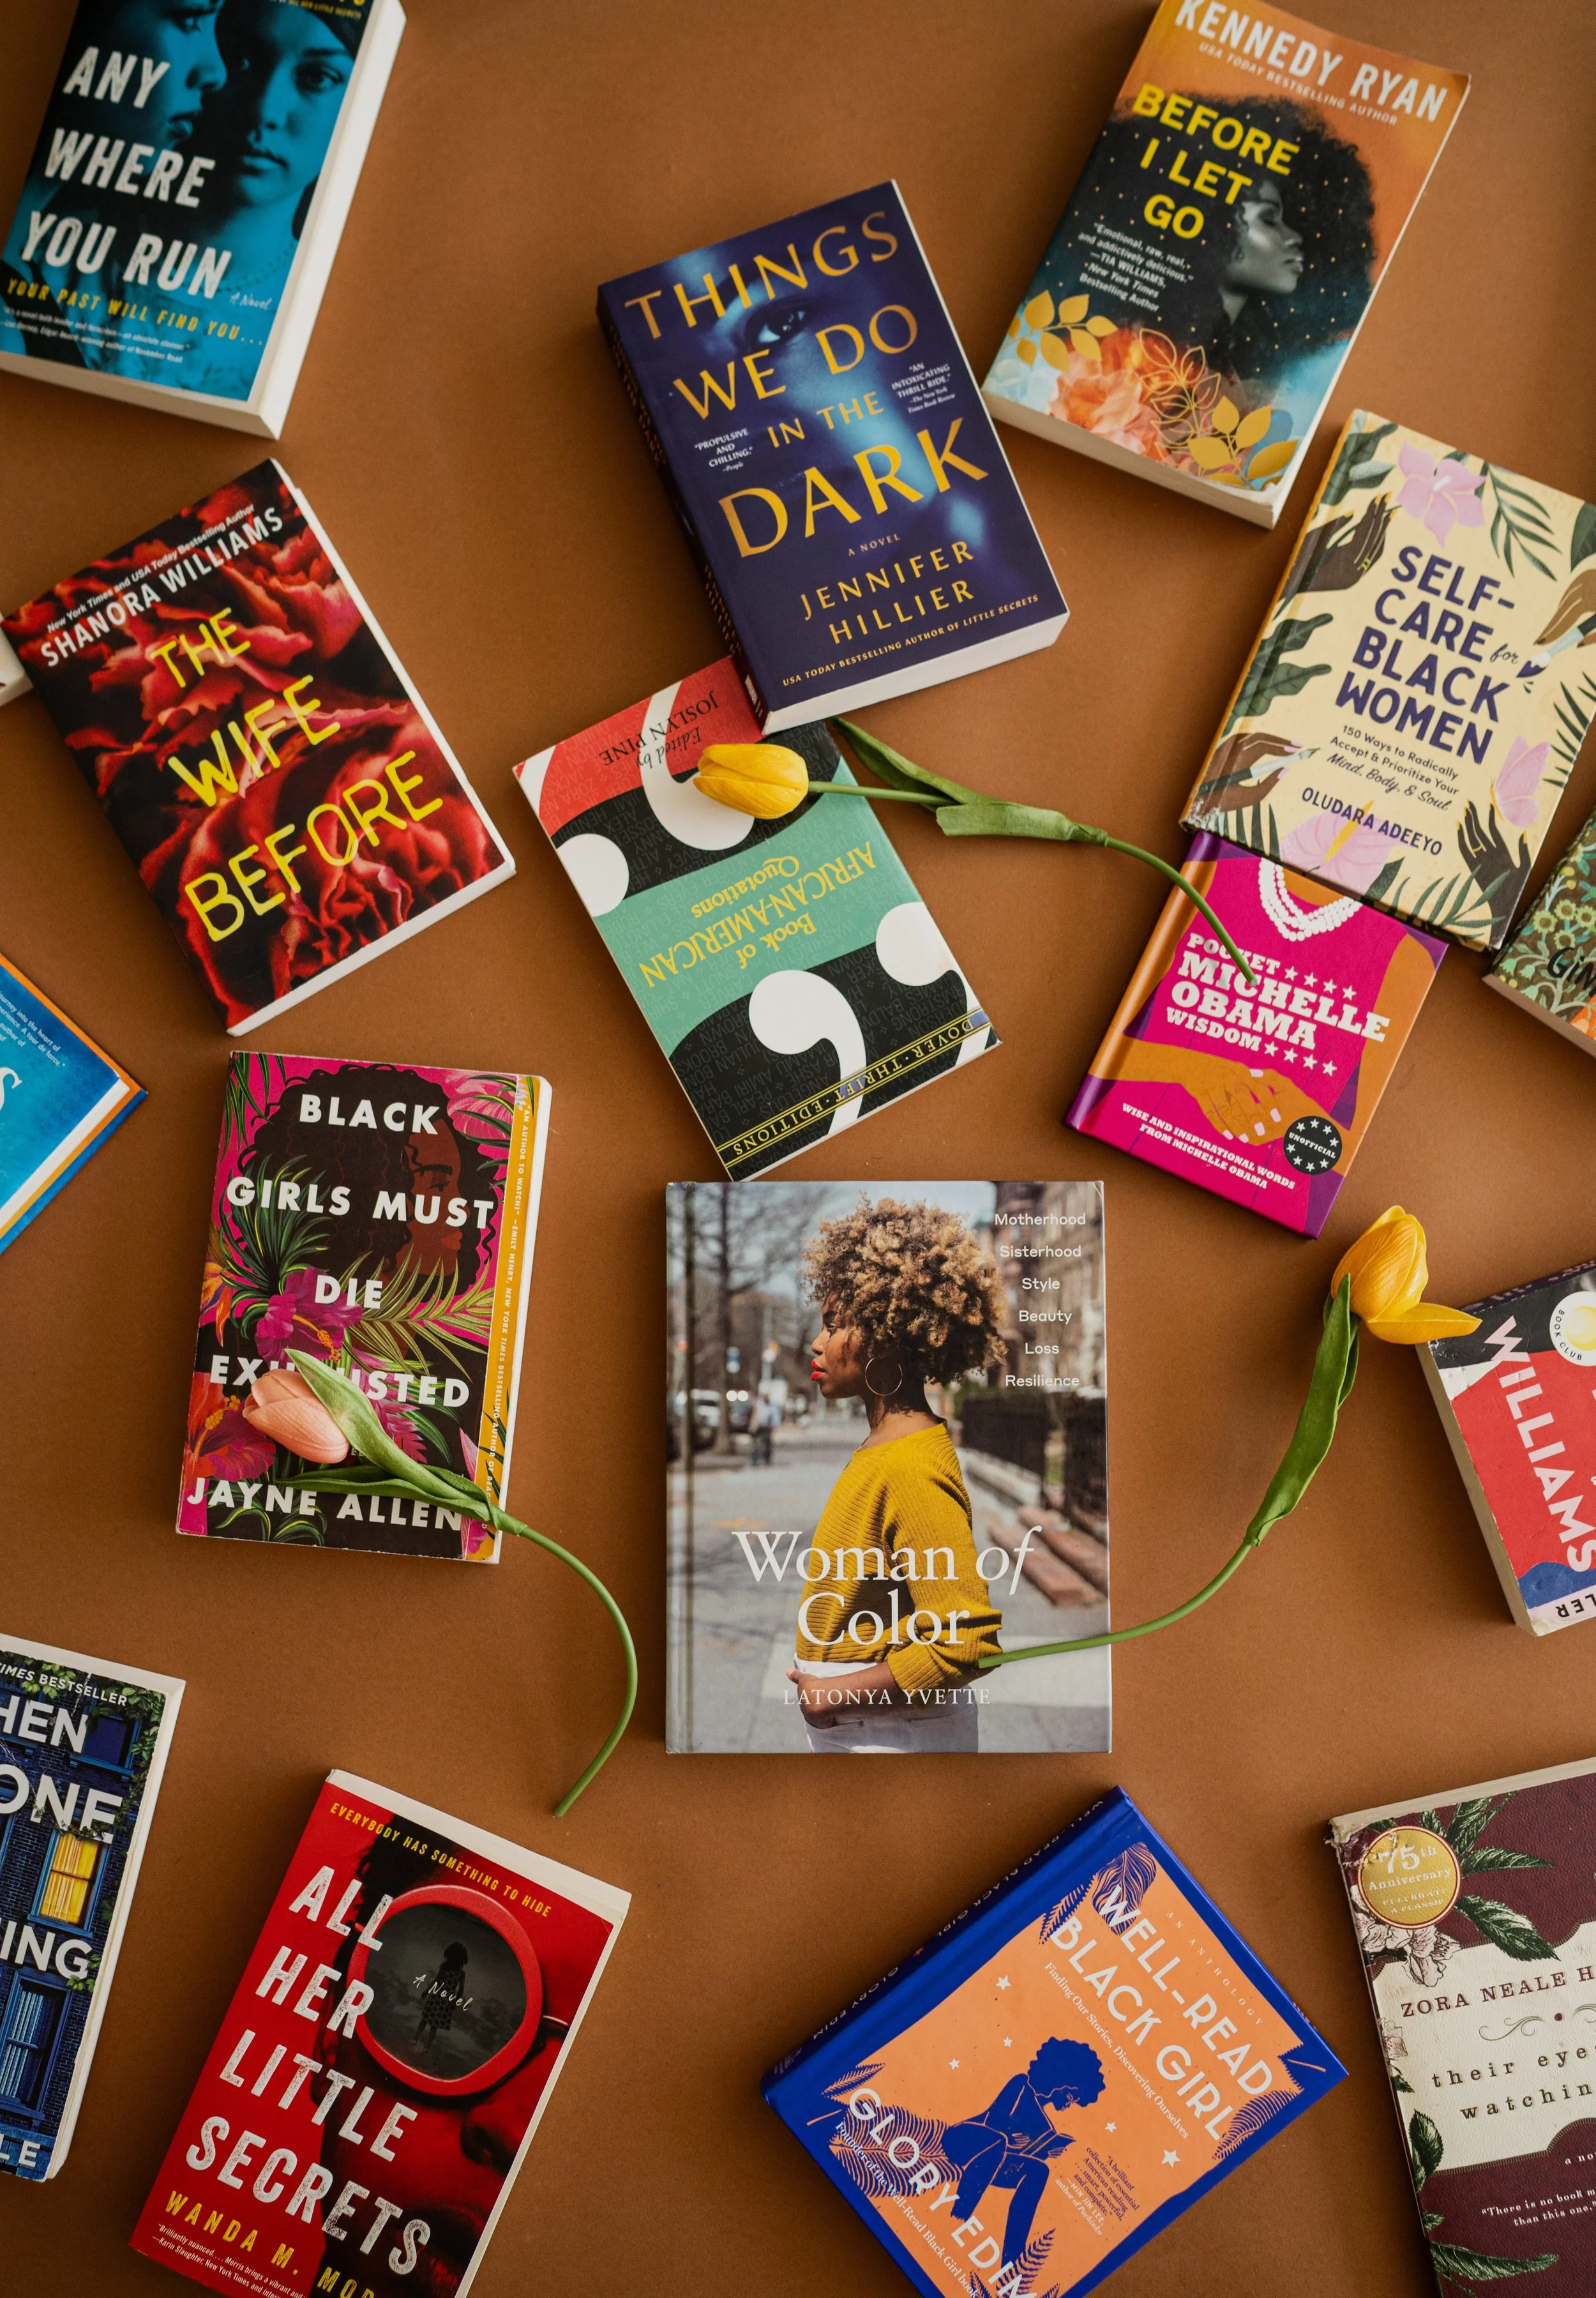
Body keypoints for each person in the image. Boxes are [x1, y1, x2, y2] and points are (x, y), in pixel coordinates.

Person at [786, 1197, 1006, 1753]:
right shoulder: (887, 1448)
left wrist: (833, 1695)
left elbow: (967, 1642)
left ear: (885, 1334)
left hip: (889, 1735)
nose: (817, 1343)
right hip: (875, 1730)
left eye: (834, 1325)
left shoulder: (909, 1464)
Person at [942, 2037, 1106, 2269]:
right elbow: (994, 2120)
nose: (1069, 2105)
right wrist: (1008, 2138)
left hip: (994, 2162)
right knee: (998, 2141)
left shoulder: (1047, 2127)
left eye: (1074, 2102)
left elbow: (1020, 2159)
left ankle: (1012, 2263)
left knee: (1040, 2171)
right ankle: (957, 2217)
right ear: (1060, 2082)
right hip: (965, 2141)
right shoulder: (1021, 2085)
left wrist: (1044, 2152)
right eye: (1070, 2097)